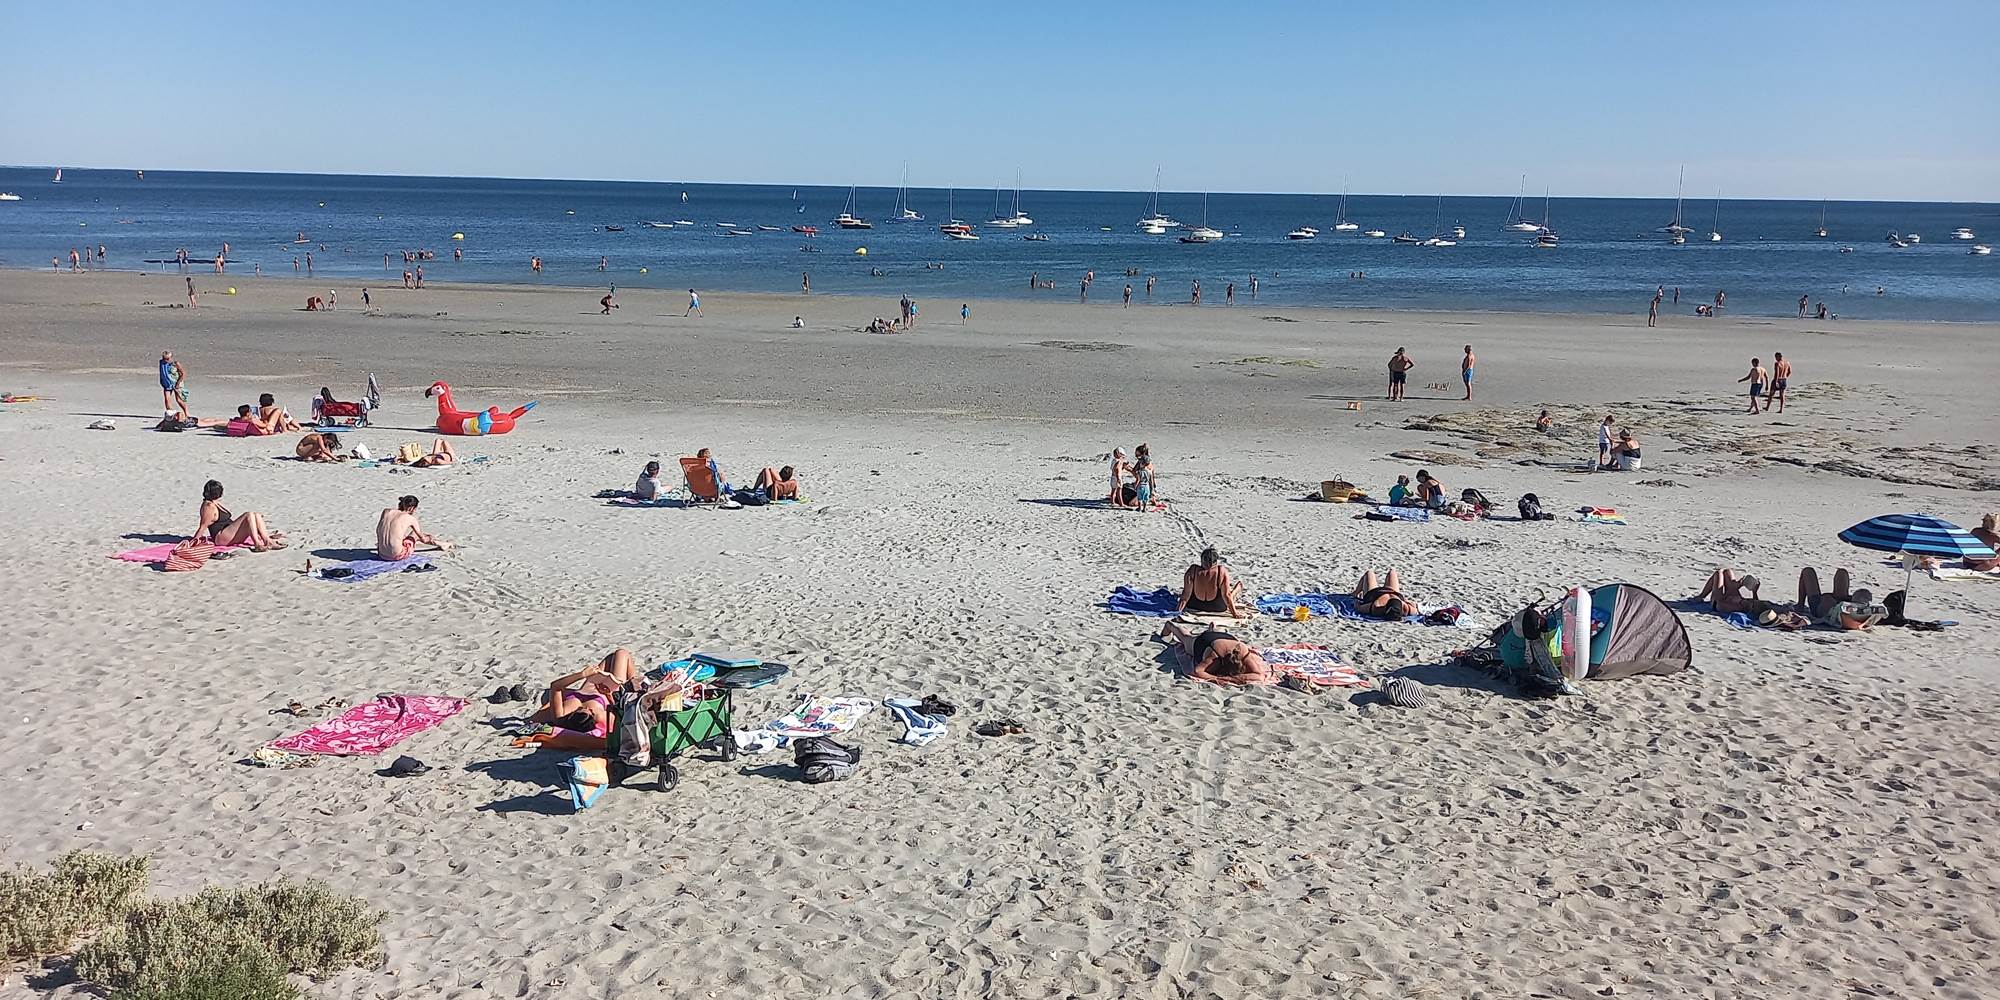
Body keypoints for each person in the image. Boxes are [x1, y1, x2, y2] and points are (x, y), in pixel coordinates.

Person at [520, 649, 644, 750]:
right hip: (609, 690)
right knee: (621, 654)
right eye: (590, 711)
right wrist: (608, 695)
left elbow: (555, 686)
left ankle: (636, 682)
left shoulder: (561, 716)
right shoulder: (600, 717)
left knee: (611, 657)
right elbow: (620, 710)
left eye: (581, 709)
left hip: (590, 684)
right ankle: (636, 683)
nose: (586, 708)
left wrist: (582, 675)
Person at [1158, 620, 1272, 686]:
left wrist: (1234, 679)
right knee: (1185, 638)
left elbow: (1259, 676)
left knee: (1188, 637)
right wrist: (1225, 679)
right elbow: (1197, 671)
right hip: (1205, 642)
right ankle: (1170, 625)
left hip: (1227, 639)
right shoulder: (1214, 657)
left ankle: (1213, 629)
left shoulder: (1243, 652)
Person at [197, 480, 284, 551]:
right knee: (248, 515)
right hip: (220, 538)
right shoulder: (208, 507)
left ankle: (267, 540)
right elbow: (203, 527)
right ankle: (257, 544)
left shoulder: (215, 502)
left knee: (256, 515)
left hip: (227, 532)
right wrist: (193, 542)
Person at [1797, 568, 1884, 630]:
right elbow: (1881, 611)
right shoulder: (1864, 612)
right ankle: (1800, 605)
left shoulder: (1850, 614)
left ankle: (1800, 605)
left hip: (1819, 606)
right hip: (1838, 601)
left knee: (1807, 571)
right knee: (1842, 572)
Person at [376, 495, 449, 561]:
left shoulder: (386, 512)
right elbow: (423, 539)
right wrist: (429, 537)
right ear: (412, 508)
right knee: (415, 534)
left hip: (381, 554)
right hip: (396, 555)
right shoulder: (410, 518)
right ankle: (442, 544)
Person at [1178, 548, 1247, 618]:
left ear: (1202, 560)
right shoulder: (1221, 571)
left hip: (1195, 605)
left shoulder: (1193, 570)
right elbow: (1227, 596)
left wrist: (1178, 611)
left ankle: (1235, 589)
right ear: (1216, 561)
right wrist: (1235, 614)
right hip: (1217, 607)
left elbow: (1185, 596)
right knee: (1230, 594)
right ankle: (1236, 590)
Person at [1353, 570, 1419, 620]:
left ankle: (1355, 593)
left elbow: (1358, 607)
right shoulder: (1406, 608)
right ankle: (1355, 593)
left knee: (1369, 573)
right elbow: (1415, 608)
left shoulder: (1377, 607)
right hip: (1393, 592)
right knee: (1392, 572)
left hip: (1374, 593)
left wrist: (1357, 602)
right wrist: (1410, 603)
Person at [1695, 569, 1765, 615]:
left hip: (1717, 602)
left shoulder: (1738, 607)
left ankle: (1701, 596)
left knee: (1718, 573)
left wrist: (1736, 587)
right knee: (1728, 571)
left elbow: (1721, 603)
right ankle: (1701, 596)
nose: (1750, 601)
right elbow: (1756, 603)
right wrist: (1754, 591)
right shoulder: (1749, 604)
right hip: (1730, 597)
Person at [158, 351, 190, 422]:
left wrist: (178, 383)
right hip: (167, 384)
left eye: (167, 358)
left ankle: (186, 413)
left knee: (179, 400)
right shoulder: (162, 363)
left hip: (176, 383)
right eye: (164, 358)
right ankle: (170, 414)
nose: (166, 360)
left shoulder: (176, 364)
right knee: (167, 399)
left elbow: (183, 374)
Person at [1130, 444, 1156, 509]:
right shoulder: (1148, 462)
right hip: (1150, 487)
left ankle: (1149, 500)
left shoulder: (1141, 462)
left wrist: (1127, 467)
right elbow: (1152, 478)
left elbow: (1134, 472)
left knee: (1132, 503)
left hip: (1143, 487)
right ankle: (1151, 498)